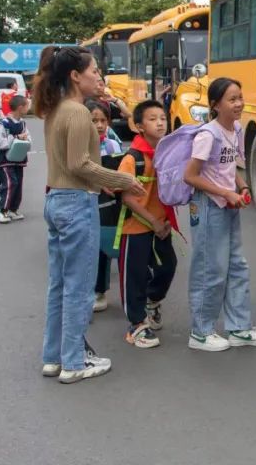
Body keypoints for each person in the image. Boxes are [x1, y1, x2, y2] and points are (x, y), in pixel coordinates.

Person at [34, 45, 145, 384]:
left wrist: (104, 182)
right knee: (80, 287)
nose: (98, 76)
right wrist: (121, 179)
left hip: (56, 200)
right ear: (74, 75)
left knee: (59, 285)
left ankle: (54, 357)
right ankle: (74, 361)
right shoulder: (78, 112)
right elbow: (80, 164)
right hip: (76, 203)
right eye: (94, 70)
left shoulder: (55, 109)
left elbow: (71, 165)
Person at [183, 77, 256, 352]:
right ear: (215, 105)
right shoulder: (207, 135)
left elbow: (227, 167)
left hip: (228, 205)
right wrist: (225, 193)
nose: (239, 104)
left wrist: (242, 186)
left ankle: (239, 328)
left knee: (236, 267)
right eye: (232, 99)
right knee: (210, 269)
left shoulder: (235, 129)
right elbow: (190, 176)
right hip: (209, 207)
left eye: (240, 97)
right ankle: (201, 332)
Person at [117, 100, 178, 349]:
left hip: (161, 225)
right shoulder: (132, 159)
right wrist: (152, 220)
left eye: (162, 117)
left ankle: (152, 302)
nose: (160, 122)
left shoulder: (167, 152)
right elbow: (127, 196)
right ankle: (136, 325)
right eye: (153, 119)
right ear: (140, 126)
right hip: (137, 227)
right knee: (134, 276)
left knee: (168, 267)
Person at [88, 99, 123, 314]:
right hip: (87, 201)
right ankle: (94, 291)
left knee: (109, 244)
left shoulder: (112, 145)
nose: (100, 125)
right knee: (93, 249)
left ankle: (111, 290)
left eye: (103, 120)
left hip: (110, 202)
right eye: (94, 121)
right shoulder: (79, 146)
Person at [0, 95, 31, 223]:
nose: (28, 109)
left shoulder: (22, 123)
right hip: (5, 160)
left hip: (19, 158)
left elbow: (29, 139)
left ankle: (13, 209)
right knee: (10, 183)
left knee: (18, 184)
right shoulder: (4, 124)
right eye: (26, 106)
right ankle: (2, 210)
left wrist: (25, 139)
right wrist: (15, 138)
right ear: (20, 108)